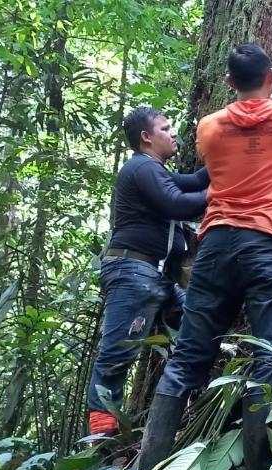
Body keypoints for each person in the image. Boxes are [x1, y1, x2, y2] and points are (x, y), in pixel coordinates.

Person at [138, 43, 272, 470]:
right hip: (270, 244)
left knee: (185, 360)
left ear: (228, 83)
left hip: (217, 245)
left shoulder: (208, 127)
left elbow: (226, 138)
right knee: (270, 358)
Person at [87, 107, 209, 437]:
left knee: (197, 321)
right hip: (133, 273)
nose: (173, 134)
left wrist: (236, 139)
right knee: (117, 353)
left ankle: (195, 402)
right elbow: (176, 203)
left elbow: (196, 181)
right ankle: (98, 439)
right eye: (166, 128)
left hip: (155, 279)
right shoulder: (141, 167)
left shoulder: (155, 170)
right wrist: (223, 193)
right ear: (146, 137)